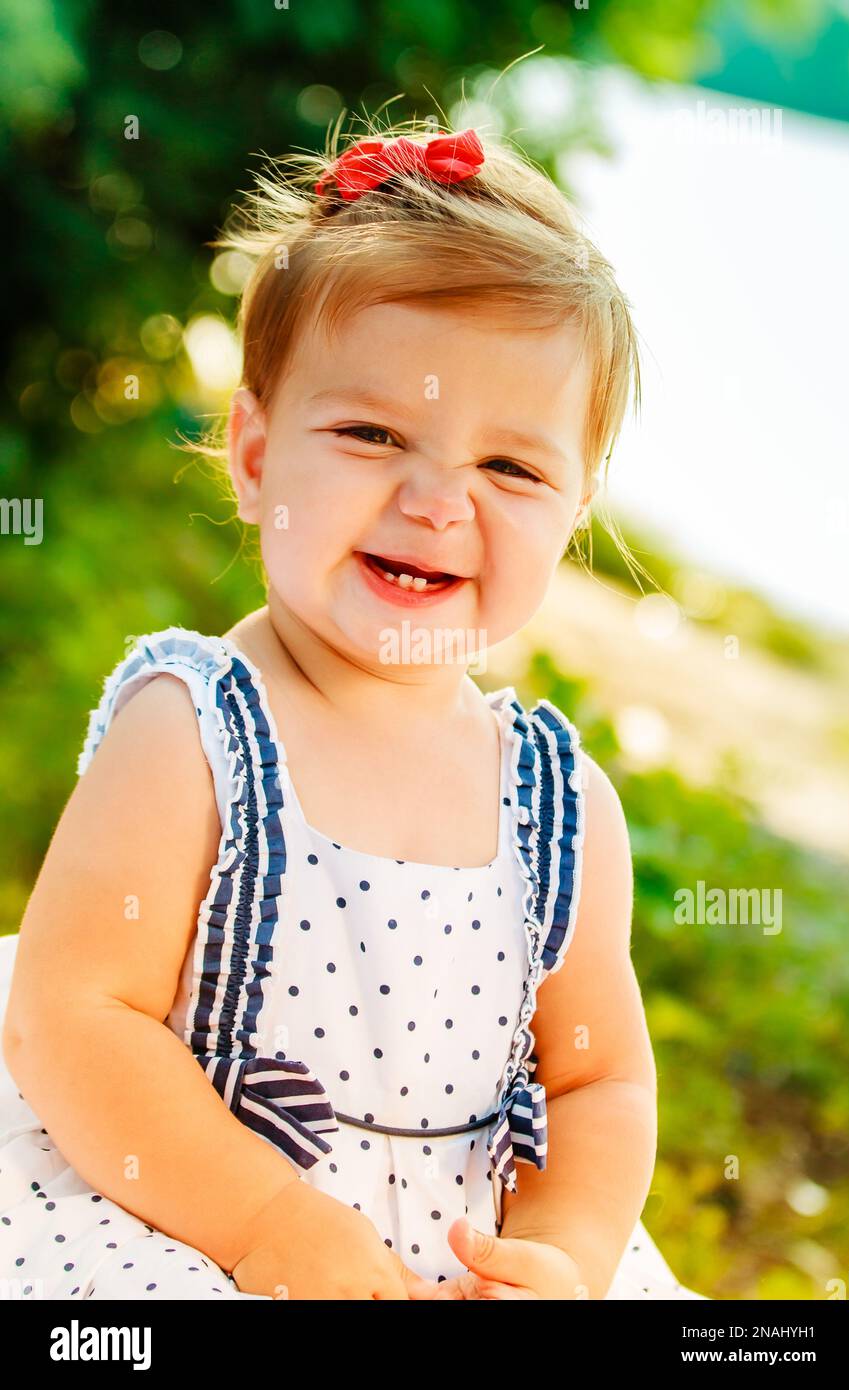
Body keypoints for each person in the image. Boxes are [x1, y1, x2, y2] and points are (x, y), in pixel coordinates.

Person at [0, 122, 706, 1300]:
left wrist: (566, 1256)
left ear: (572, 512)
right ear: (256, 453)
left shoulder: (556, 802)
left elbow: (596, 1084)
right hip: (190, 1216)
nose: (435, 501)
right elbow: (75, 1013)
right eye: (373, 434)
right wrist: (266, 1226)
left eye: (510, 469)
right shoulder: (195, 732)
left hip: (442, 1262)